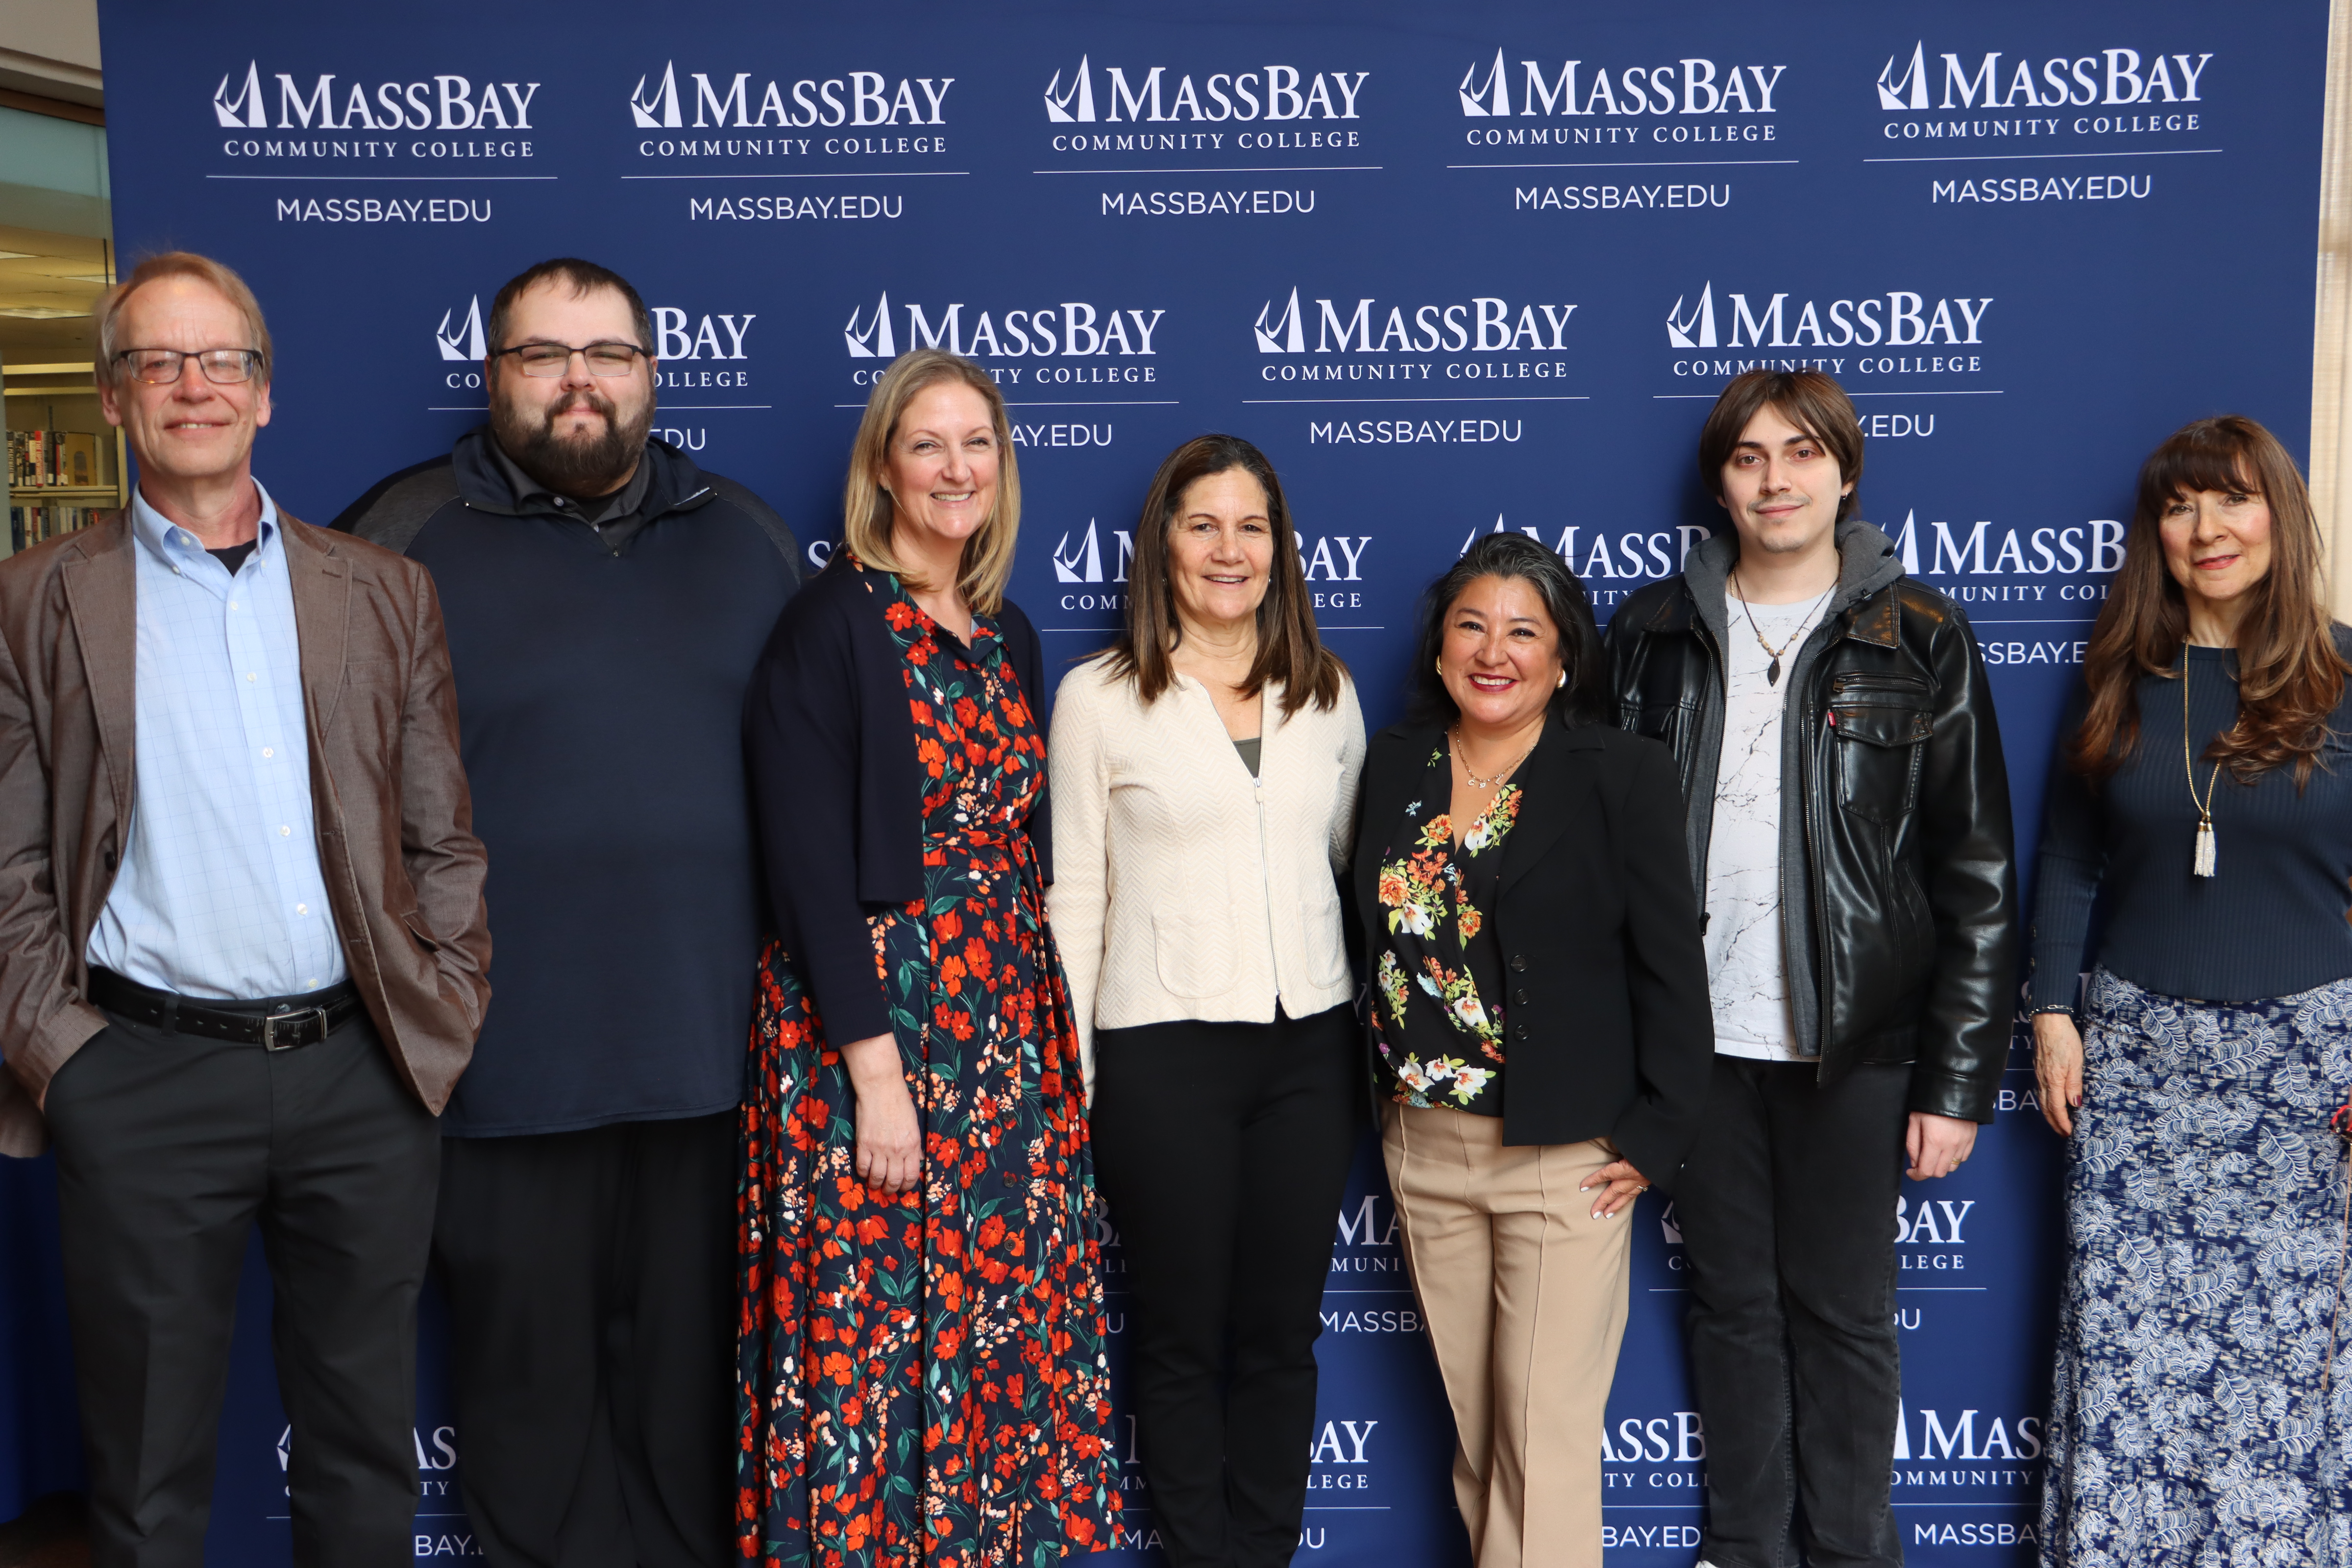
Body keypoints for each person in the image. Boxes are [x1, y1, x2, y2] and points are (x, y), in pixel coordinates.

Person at [0, 252, 490, 1565]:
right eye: (158, 362)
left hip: (361, 1074)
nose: (193, 385)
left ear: (265, 394)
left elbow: (442, 834)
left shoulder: (380, 592)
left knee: (360, 1456)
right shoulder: (35, 602)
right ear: (113, 401)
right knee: (148, 1480)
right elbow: (6, 873)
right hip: (141, 1078)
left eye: (220, 360)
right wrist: (69, 1065)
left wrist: (441, 1003)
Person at [333, 257, 802, 1567]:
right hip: (498, 1070)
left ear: (653, 373)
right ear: (494, 375)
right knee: (527, 1412)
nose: (579, 379)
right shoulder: (399, 534)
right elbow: (323, 793)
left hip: (709, 1067)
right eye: (545, 354)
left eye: (608, 353)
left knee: (687, 1409)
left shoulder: (748, 534)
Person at [1605, 368, 2017, 1568]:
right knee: (1733, 1311)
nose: (1775, 478)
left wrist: (1955, 1083)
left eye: (1801, 453)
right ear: (1720, 481)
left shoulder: (1921, 635)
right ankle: (1746, 1550)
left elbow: (1977, 871)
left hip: (1862, 1046)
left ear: (1846, 471)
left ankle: (1850, 1553)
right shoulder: (1651, 636)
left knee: (1842, 1318)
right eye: (1749, 456)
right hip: (1697, 1046)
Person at [736, 348, 1120, 1564]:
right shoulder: (830, 626)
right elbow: (803, 874)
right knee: (875, 1336)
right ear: (883, 469)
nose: (957, 469)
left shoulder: (1008, 634)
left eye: (979, 446)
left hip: (1003, 1034)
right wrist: (878, 1074)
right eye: (929, 445)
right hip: (875, 1032)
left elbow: (1026, 852)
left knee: (1004, 1323)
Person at [1351, 531, 1711, 1568]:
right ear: (1438, 648)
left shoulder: (1622, 774)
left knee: (1543, 1445)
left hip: (1563, 1158)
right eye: (1471, 625)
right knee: (1482, 1445)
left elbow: (1670, 970)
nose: (1493, 650)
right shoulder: (1395, 765)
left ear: (1563, 659)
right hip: (1424, 1151)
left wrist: (1656, 1132)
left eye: (1524, 631)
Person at [2030, 416, 2352, 1566]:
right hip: (2141, 1070)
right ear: (2155, 534)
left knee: (2282, 1379)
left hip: (2308, 1083)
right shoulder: (2121, 680)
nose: (2207, 528)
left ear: (2280, 516)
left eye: (2231, 500)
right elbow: (2070, 855)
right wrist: (2053, 1010)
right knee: (2130, 1363)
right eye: (2179, 507)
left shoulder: (2346, 677)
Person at [1049, 435, 1364, 1568]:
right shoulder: (1097, 699)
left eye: (1252, 526)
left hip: (1309, 1055)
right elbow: (1076, 896)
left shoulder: (1328, 695)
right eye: (1204, 525)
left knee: (1281, 1336)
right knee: (1181, 1340)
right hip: (1159, 1058)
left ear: (1280, 548)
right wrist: (1076, 1077)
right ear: (1163, 545)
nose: (1229, 550)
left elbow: (1351, 868)